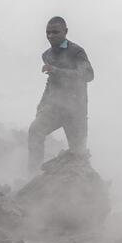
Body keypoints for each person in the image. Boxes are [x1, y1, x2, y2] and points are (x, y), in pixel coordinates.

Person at [28, 16, 94, 173]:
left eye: (55, 32)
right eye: (48, 32)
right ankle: (33, 174)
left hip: (75, 110)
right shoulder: (47, 55)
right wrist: (42, 104)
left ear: (65, 32)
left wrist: (57, 71)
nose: (50, 36)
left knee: (79, 153)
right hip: (55, 108)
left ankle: (89, 190)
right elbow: (51, 82)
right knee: (35, 131)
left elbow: (88, 75)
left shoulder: (76, 51)